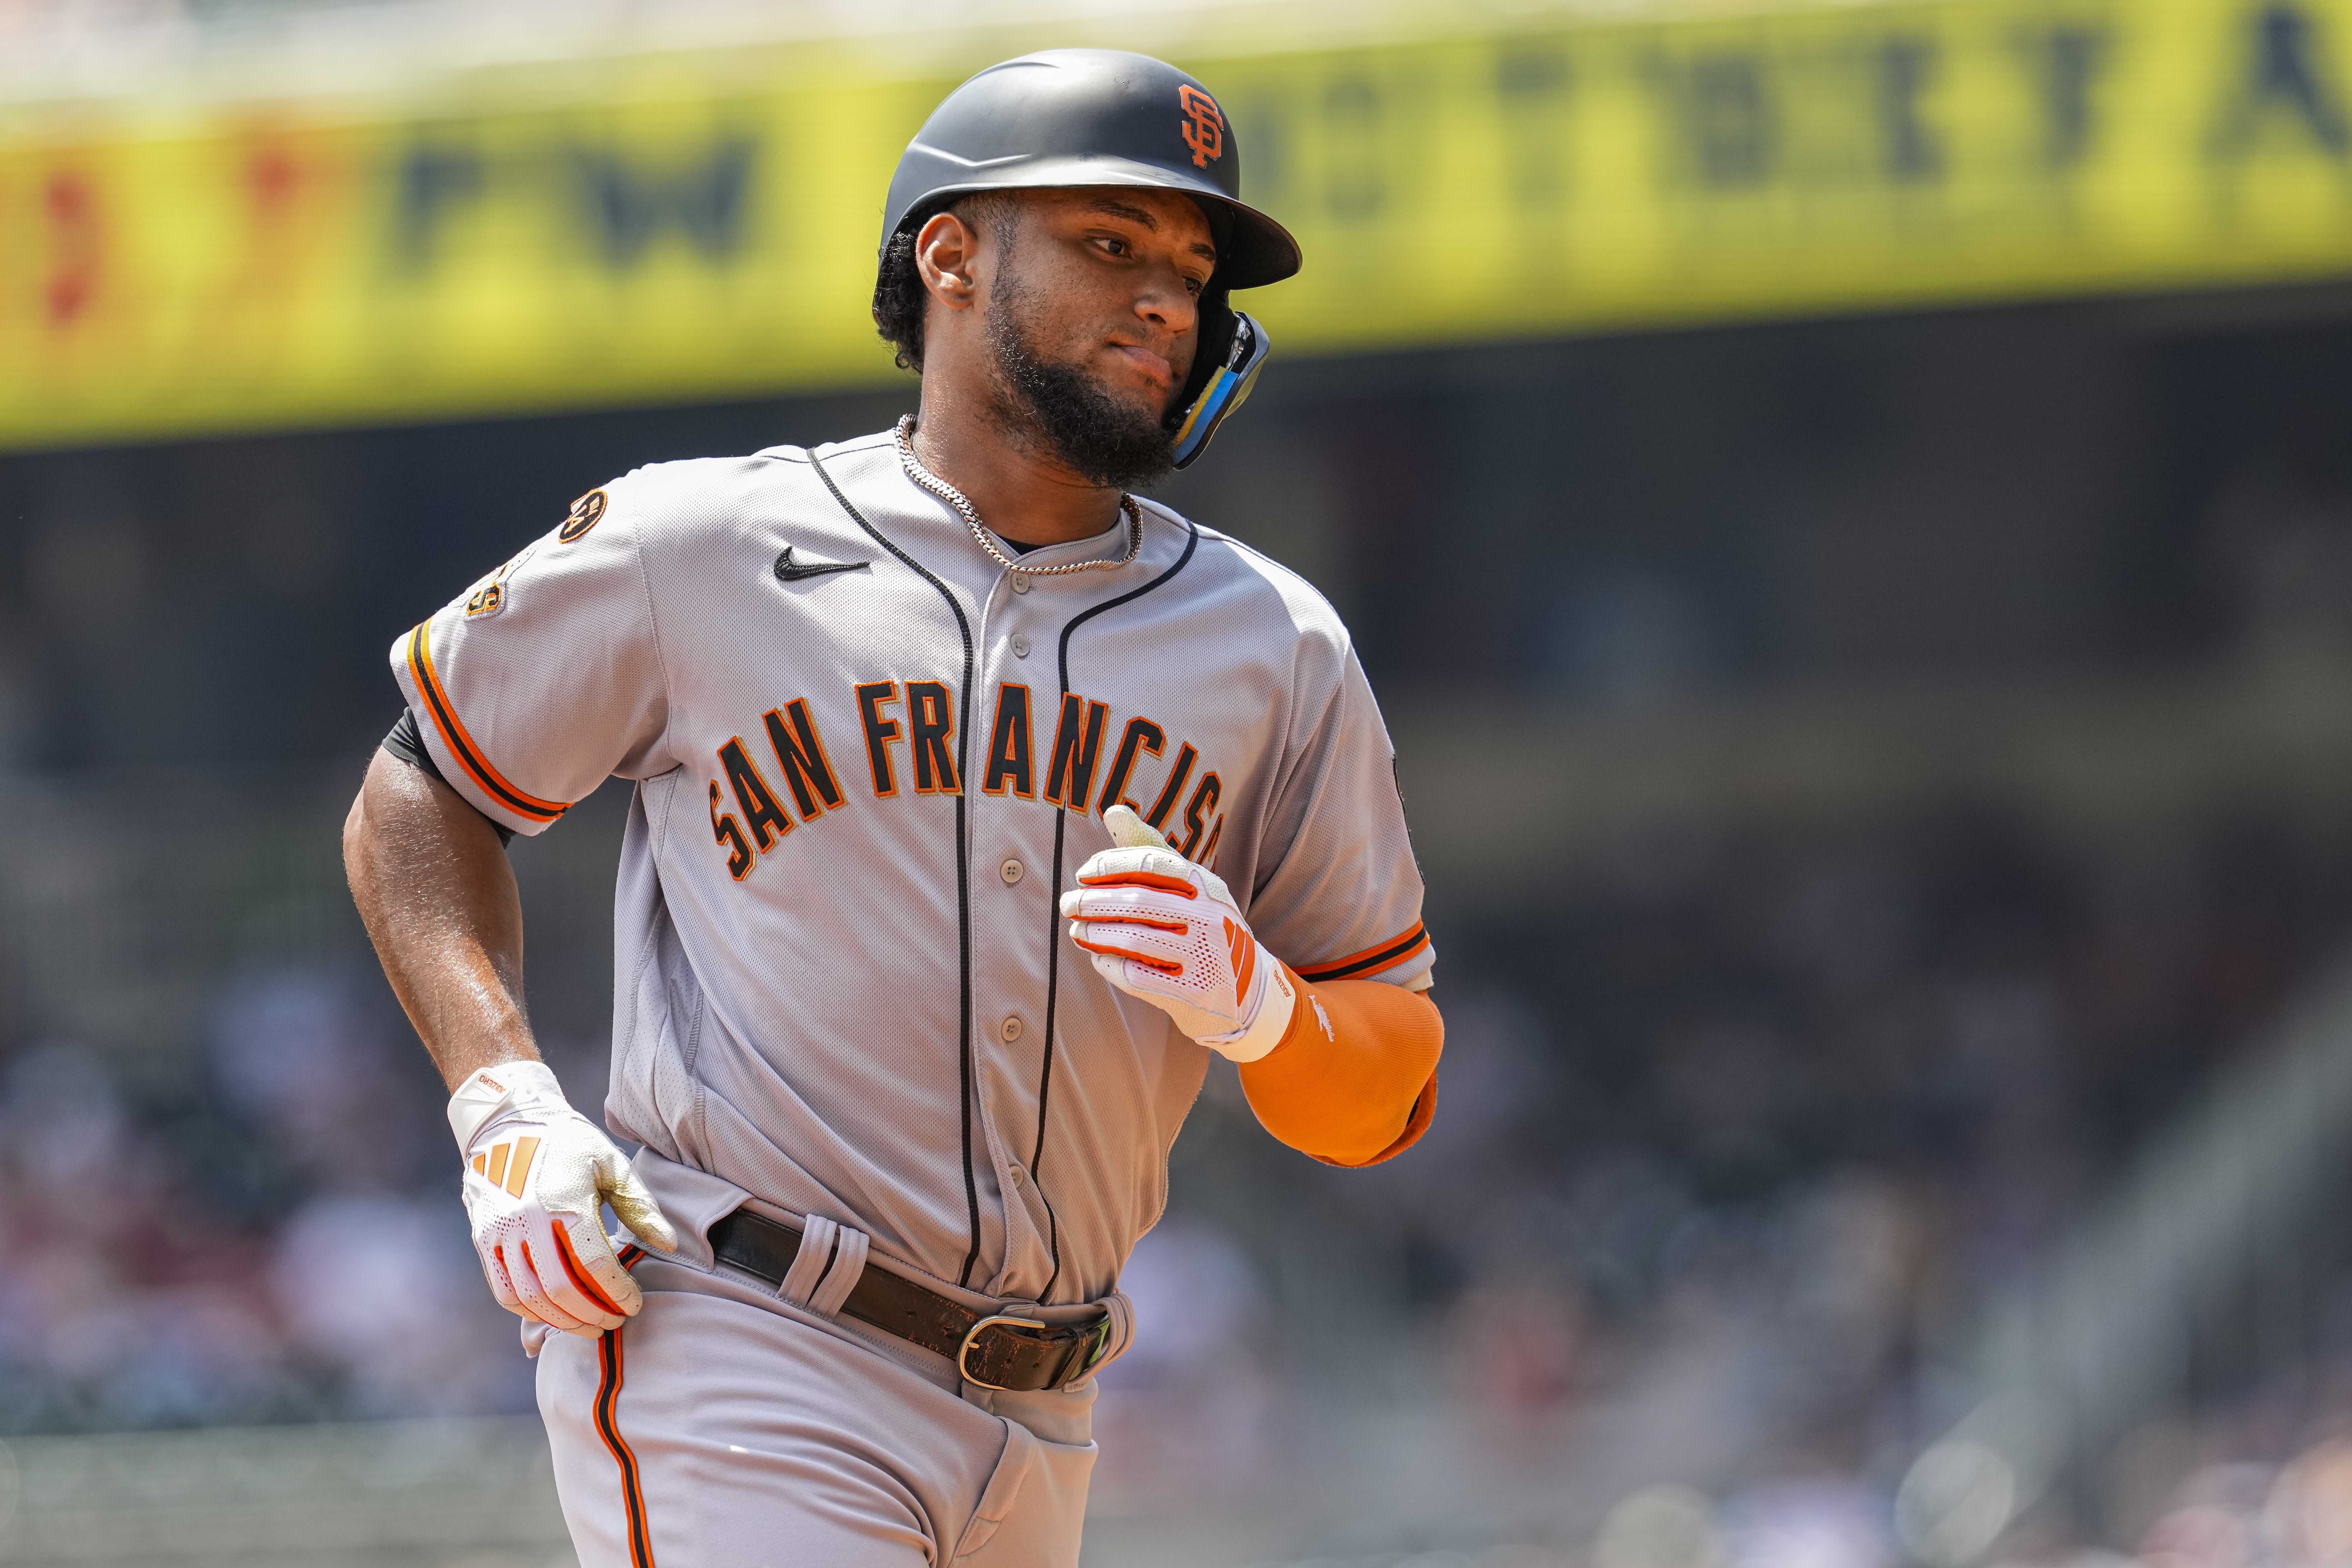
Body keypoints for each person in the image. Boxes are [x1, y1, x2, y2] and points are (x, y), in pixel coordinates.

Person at [343, 48, 1442, 1568]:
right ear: (949, 255)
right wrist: (501, 1102)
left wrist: (1266, 1011)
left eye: (1190, 270)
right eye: (1109, 244)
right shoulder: (704, 543)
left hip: (1052, 1405)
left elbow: (1381, 1092)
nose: (1162, 304)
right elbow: (420, 791)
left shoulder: (1274, 644)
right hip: (744, 1340)